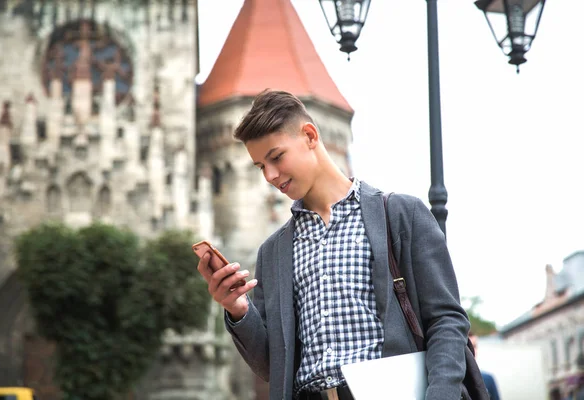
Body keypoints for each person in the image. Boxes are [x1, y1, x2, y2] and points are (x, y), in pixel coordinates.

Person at [197, 90, 471, 400]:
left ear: (310, 136)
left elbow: (446, 321)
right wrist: (238, 310)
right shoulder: (273, 253)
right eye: (261, 166)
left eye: (276, 157)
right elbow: (274, 367)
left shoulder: (400, 214)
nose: (271, 176)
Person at [468, 332, 501, 400]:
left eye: (475, 346)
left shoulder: (488, 379)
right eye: (468, 347)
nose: (472, 350)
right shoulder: (449, 381)